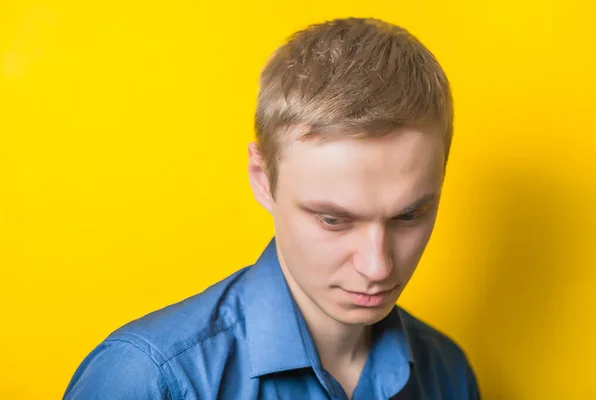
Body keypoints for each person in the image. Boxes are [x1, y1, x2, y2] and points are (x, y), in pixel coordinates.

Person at [64, 17, 480, 399]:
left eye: (409, 215)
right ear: (263, 179)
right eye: (332, 219)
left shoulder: (447, 371)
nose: (378, 267)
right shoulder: (146, 379)